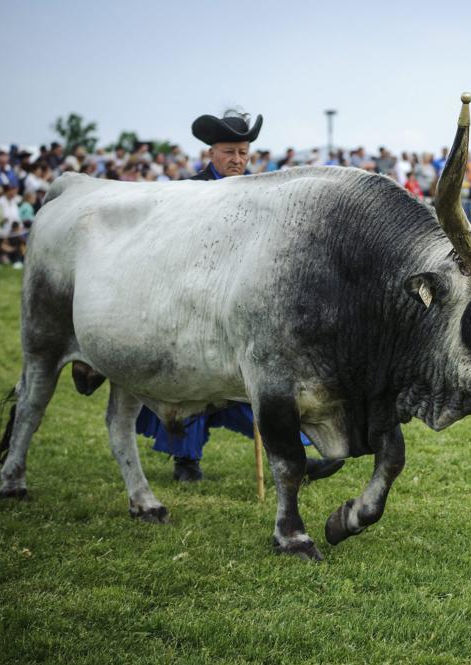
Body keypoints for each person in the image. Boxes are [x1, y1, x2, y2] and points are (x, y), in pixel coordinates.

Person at [135, 108, 344, 484]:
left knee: (257, 387)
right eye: (230, 152)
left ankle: (295, 457)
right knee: (192, 385)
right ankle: (186, 461)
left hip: (240, 301)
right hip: (193, 301)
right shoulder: (189, 192)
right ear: (211, 153)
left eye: (243, 153)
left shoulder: (260, 191)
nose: (237, 160)